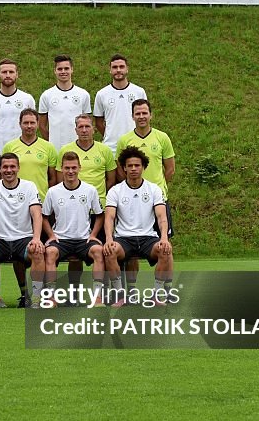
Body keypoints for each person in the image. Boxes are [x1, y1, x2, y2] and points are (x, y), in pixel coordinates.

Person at [103, 146, 173, 306]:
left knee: (165, 249)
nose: (134, 169)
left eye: (137, 165)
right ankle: (120, 295)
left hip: (148, 238)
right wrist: (108, 239)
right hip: (124, 239)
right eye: (130, 166)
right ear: (124, 168)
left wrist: (164, 238)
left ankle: (157, 294)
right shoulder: (115, 191)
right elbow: (109, 217)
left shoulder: (154, 189)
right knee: (109, 251)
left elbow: (162, 216)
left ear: (143, 167)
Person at [0, 153, 45, 309]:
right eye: (5, 167)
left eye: (12, 166)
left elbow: (37, 214)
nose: (9, 170)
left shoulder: (29, 186)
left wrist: (37, 238)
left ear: (18, 168)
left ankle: (36, 298)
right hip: (0, 241)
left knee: (38, 250)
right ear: (0, 169)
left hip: (24, 239)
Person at [42, 151, 106, 301]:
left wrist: (93, 235)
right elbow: (44, 217)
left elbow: (100, 215)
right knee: (50, 253)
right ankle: (51, 297)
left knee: (98, 251)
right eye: (67, 168)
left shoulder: (90, 190)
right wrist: (51, 235)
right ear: (62, 169)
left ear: (79, 168)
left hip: (84, 240)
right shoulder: (53, 192)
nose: (70, 171)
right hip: (61, 240)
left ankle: (97, 296)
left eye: (74, 168)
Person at [115, 100, 176, 204]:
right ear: (133, 117)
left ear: (151, 115)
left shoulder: (162, 137)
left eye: (144, 113)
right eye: (137, 114)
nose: (141, 116)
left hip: (157, 197)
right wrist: (132, 186)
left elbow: (170, 169)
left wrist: (159, 186)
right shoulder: (124, 140)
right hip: (133, 196)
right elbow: (120, 169)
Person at [58, 113, 116, 208]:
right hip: (72, 202)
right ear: (76, 130)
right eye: (80, 127)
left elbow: (111, 180)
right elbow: (60, 179)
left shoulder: (105, 150)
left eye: (87, 126)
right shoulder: (65, 150)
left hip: (98, 203)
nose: (84, 130)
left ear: (93, 129)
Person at [94, 54, 148, 154]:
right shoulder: (101, 94)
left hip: (135, 146)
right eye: (114, 67)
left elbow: (145, 117)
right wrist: (109, 135)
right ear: (110, 70)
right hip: (111, 148)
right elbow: (98, 122)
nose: (118, 70)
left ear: (127, 69)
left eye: (121, 67)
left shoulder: (139, 92)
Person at [38, 55, 92, 151]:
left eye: (66, 68)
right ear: (55, 71)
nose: (63, 72)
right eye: (60, 69)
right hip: (55, 149)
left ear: (72, 69)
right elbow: (42, 125)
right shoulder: (46, 95)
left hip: (78, 149)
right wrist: (51, 143)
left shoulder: (83, 94)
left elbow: (87, 124)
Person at [2, 108, 57, 201]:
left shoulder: (49, 147)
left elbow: (53, 178)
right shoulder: (9, 147)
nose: (29, 126)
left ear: (38, 124)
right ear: (20, 124)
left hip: (40, 199)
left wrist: (48, 198)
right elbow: (3, 175)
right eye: (25, 123)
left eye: (32, 123)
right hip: (15, 199)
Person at [0, 58, 36, 150]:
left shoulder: (27, 99)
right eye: (4, 72)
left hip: (22, 150)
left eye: (11, 72)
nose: (7, 75)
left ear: (17, 74)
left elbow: (33, 125)